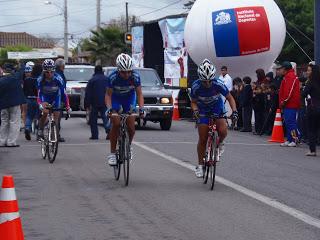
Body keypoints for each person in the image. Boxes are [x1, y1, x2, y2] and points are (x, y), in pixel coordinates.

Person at [191, 59, 238, 178]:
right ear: (200, 79)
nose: (207, 83)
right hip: (203, 110)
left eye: (209, 81)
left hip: (217, 108)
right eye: (204, 81)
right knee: (202, 138)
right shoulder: (196, 86)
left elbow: (230, 98)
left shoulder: (218, 84)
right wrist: (195, 111)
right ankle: (200, 165)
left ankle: (220, 142)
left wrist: (235, 111)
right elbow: (193, 102)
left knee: (223, 130)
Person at [105, 53, 145, 166]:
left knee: (131, 127)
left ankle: (128, 146)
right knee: (116, 123)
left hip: (129, 99)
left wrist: (141, 109)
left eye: (129, 71)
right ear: (118, 70)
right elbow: (108, 95)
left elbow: (140, 94)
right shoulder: (112, 77)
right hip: (116, 99)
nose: (127, 74)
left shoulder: (135, 77)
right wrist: (109, 109)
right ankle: (112, 153)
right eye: (123, 72)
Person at [37, 59, 71, 139]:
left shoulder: (58, 78)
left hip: (56, 97)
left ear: (54, 71)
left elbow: (64, 93)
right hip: (45, 97)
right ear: (43, 71)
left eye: (51, 72)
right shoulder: (40, 80)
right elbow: (39, 94)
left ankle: (54, 136)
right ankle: (40, 129)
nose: (49, 74)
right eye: (47, 72)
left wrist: (67, 106)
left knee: (56, 117)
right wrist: (40, 104)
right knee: (45, 113)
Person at [0, 64, 26, 147]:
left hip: (3, 104)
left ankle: (2, 141)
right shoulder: (16, 77)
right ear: (12, 70)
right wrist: (21, 63)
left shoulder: (1, 80)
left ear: (4, 70)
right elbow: (22, 70)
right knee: (14, 122)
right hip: (15, 103)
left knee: (4, 122)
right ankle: (11, 142)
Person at [85, 65, 110, 140]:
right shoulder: (107, 79)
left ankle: (95, 135)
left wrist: (87, 104)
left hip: (94, 102)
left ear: (95, 71)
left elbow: (88, 93)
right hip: (105, 101)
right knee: (105, 118)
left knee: (93, 120)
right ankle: (109, 131)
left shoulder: (92, 80)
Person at [279, 61, 300, 147]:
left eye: (281, 68)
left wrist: (284, 101)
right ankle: (289, 139)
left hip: (290, 103)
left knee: (291, 122)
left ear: (285, 69)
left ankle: (294, 139)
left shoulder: (290, 77)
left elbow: (289, 91)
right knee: (288, 122)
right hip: (287, 103)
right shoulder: (287, 76)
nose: (280, 70)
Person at [302, 64, 320, 156]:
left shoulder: (310, 82)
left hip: (313, 108)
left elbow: (304, 94)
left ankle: (312, 150)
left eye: (309, 70)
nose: (307, 72)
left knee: (312, 129)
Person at [23, 65, 39, 140]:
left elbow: (24, 90)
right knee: (39, 116)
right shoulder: (40, 79)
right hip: (37, 99)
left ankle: (27, 128)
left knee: (29, 116)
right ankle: (39, 132)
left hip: (28, 99)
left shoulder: (26, 80)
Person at [55, 58, 67, 142]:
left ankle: (40, 131)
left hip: (47, 97)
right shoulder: (60, 75)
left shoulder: (52, 72)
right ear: (62, 66)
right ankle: (56, 135)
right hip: (58, 98)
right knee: (57, 118)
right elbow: (63, 89)